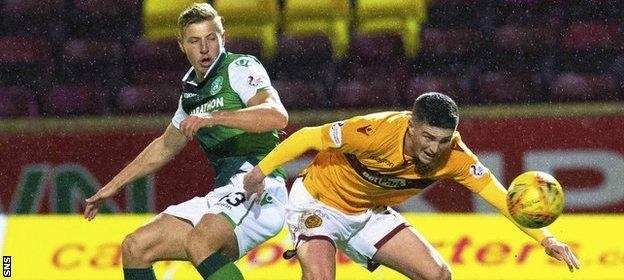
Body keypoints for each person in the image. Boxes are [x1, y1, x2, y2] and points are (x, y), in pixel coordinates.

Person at [243, 92, 580, 280]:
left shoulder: (456, 157)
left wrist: (546, 238)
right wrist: (259, 172)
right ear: (411, 125)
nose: (435, 148)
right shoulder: (374, 131)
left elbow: (503, 198)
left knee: (438, 277)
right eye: (429, 137)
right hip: (317, 202)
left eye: (444, 140)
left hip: (369, 213)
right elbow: (306, 136)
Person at [83, 3, 289, 280]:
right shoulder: (191, 93)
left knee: (199, 242)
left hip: (260, 187)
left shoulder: (239, 67)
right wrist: (112, 186)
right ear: (182, 45)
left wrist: (215, 117)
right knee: (135, 247)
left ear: (223, 38)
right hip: (224, 193)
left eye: (211, 38)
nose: (204, 48)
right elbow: (166, 145)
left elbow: (277, 116)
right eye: (195, 41)